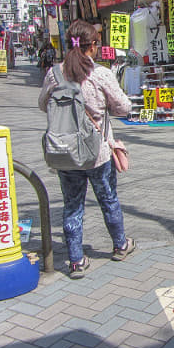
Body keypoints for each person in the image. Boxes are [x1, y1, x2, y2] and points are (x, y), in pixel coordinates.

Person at [38, 20, 134, 279]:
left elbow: (42, 104)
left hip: (64, 152)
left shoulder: (53, 74)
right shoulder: (100, 74)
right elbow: (124, 108)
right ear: (92, 46)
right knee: (108, 199)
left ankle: (75, 260)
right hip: (97, 153)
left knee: (72, 206)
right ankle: (120, 245)